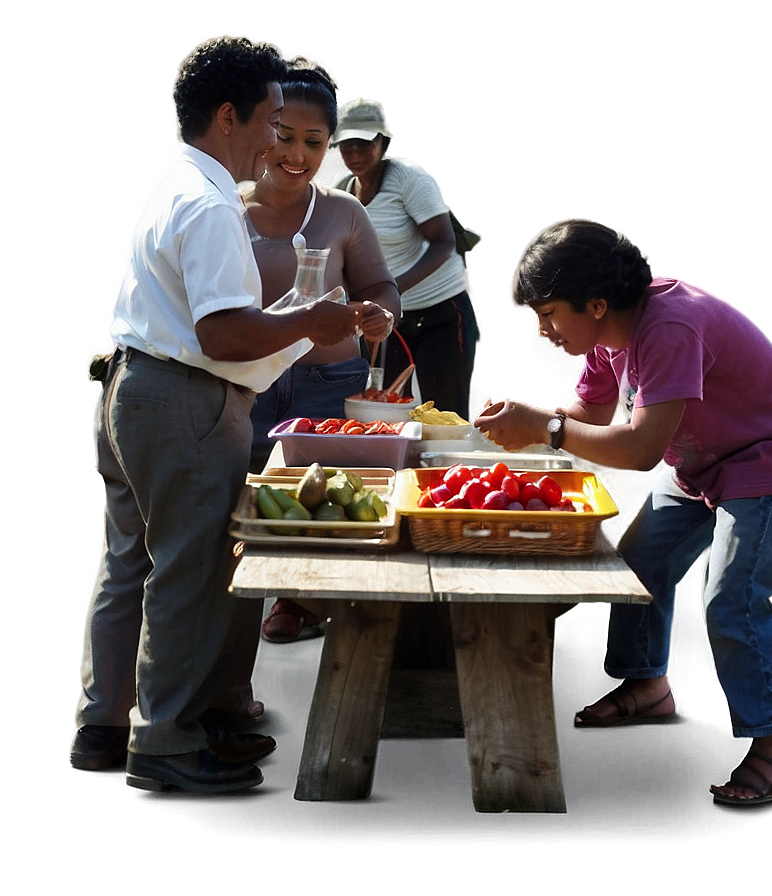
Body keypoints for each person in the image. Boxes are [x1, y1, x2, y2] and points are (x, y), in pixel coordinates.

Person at [70, 37, 382, 794]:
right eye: (273, 120)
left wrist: (300, 318)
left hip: (133, 387)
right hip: (182, 402)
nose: (280, 139)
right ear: (226, 116)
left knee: (128, 566)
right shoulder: (212, 205)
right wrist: (311, 321)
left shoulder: (171, 182)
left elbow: (214, 323)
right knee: (189, 575)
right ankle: (166, 743)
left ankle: (103, 726)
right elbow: (223, 333)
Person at [474, 219, 772, 810]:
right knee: (639, 564)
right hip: (701, 465)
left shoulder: (669, 327)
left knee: (733, 600)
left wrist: (547, 428)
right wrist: (530, 425)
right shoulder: (610, 334)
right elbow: (589, 411)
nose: (544, 331)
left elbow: (636, 450)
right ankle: (647, 684)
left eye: (549, 313)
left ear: (596, 303)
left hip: (767, 464)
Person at [241, 58, 399, 644]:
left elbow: (380, 288)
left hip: (329, 389)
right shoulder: (224, 209)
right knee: (242, 507)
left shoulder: (343, 211)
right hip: (246, 388)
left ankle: (298, 602)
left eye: (315, 142)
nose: (297, 155)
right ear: (262, 131)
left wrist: (383, 314)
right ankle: (229, 652)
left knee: (320, 510)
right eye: (284, 137)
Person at [330, 96, 478, 419]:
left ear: (383, 143)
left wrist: (390, 290)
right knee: (389, 410)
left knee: (446, 414)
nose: (354, 154)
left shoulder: (408, 179)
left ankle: (448, 469)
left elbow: (444, 243)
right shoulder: (341, 189)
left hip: (441, 312)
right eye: (346, 145)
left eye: (364, 143)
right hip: (392, 320)